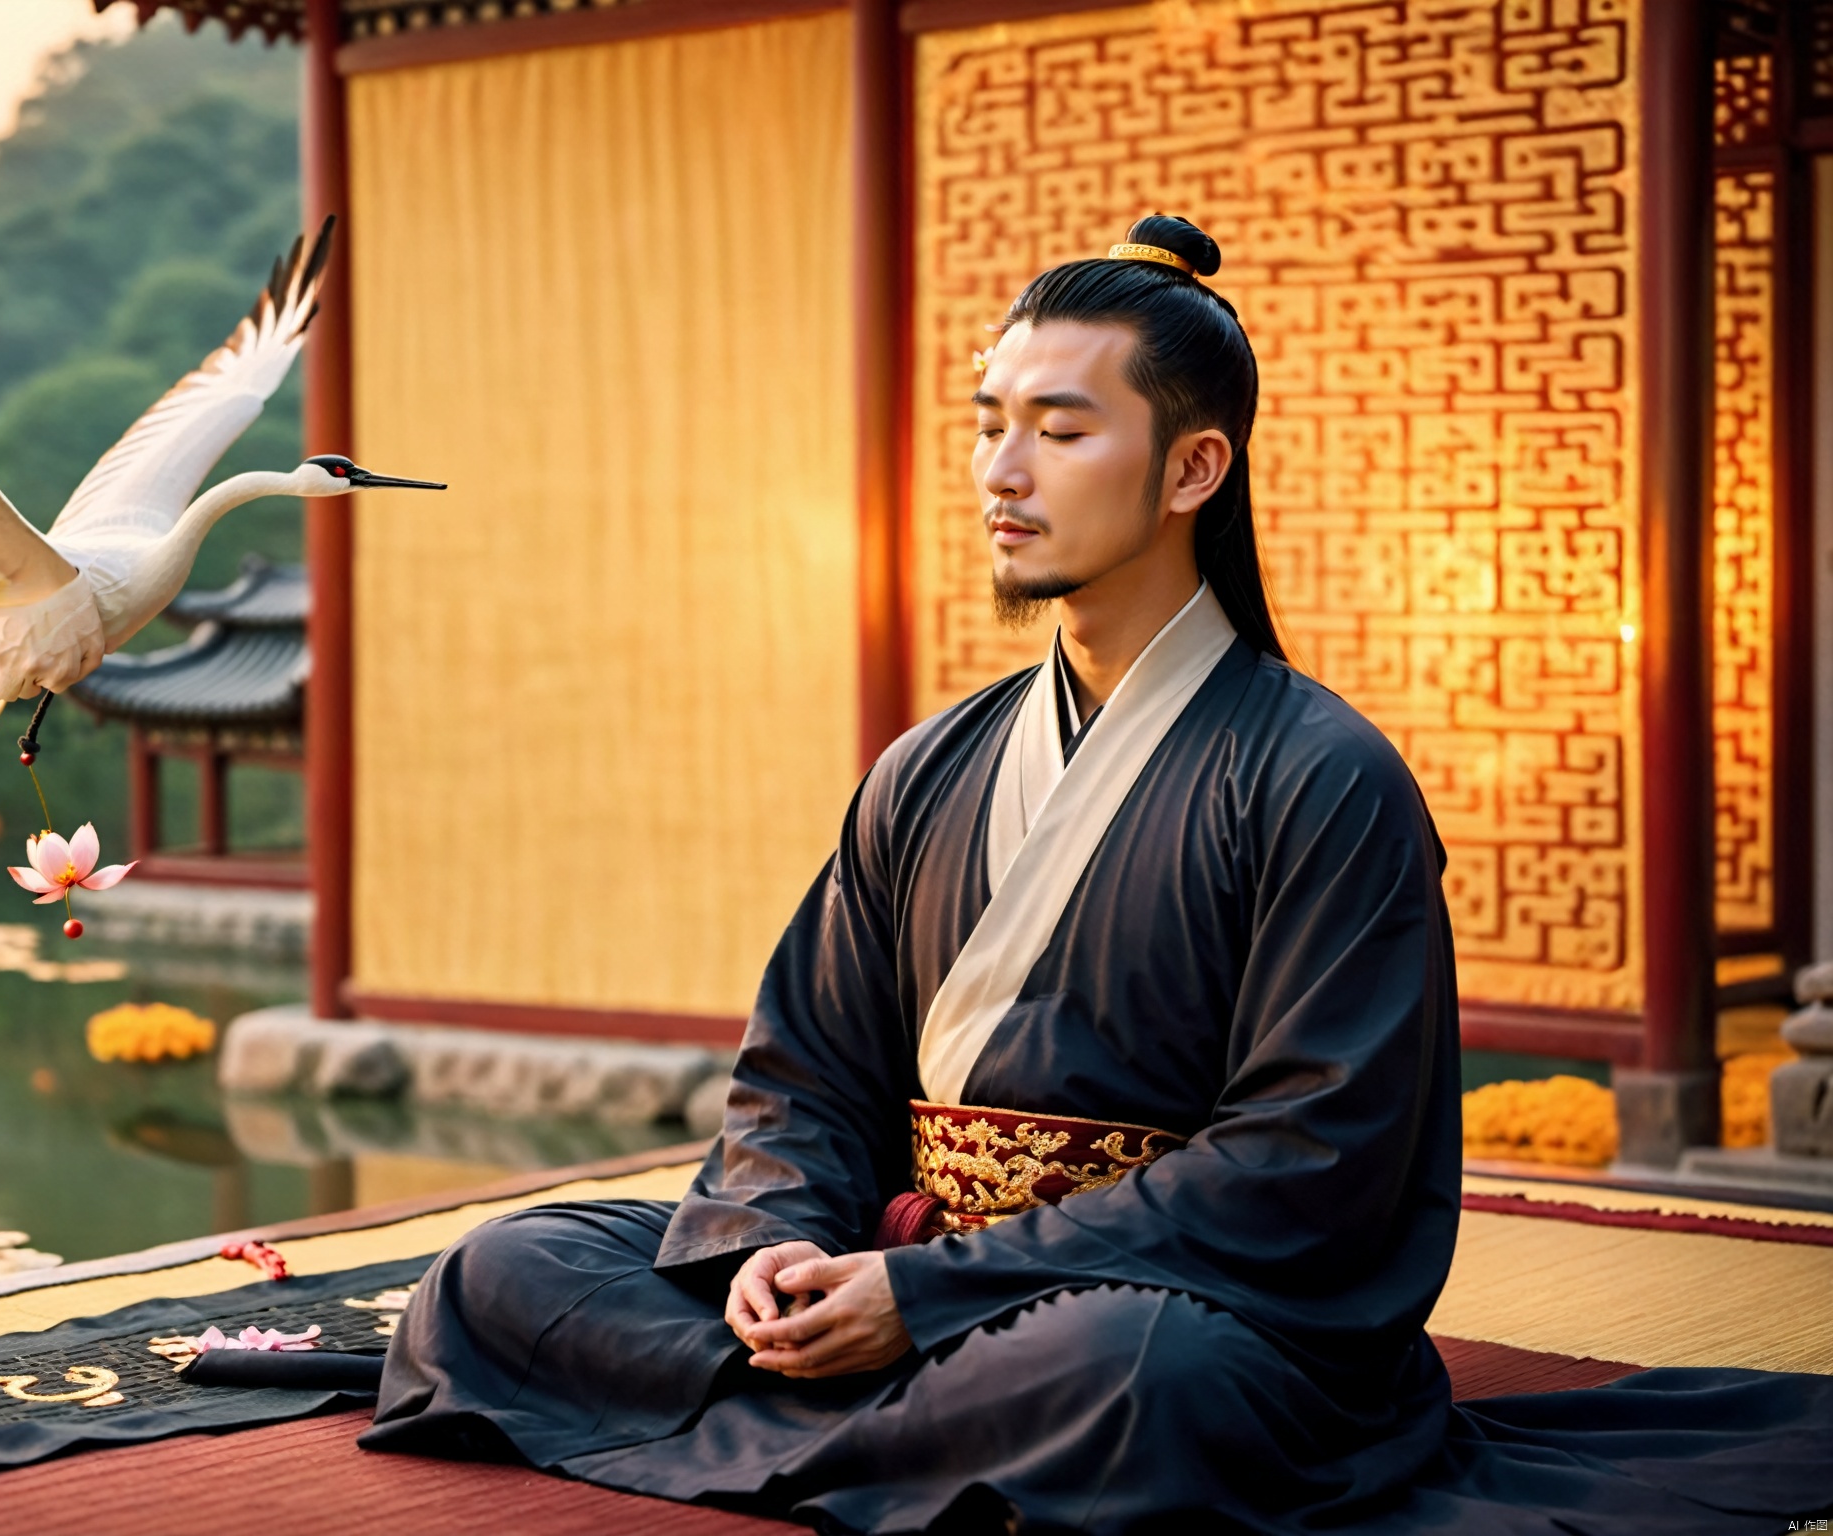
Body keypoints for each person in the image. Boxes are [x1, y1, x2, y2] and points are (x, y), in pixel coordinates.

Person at [360, 216, 1833, 1533]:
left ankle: (852, 1418)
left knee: (1140, 1377)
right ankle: (882, 1418)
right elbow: (806, 1070)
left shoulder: (1321, 776)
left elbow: (1307, 1165)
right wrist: (785, 1246)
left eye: (1060, 432)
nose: (1002, 473)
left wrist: (927, 1296)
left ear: (1195, 466)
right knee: (511, 1272)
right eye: (990, 424)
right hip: (911, 1279)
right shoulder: (928, 766)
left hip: (1166, 1305)